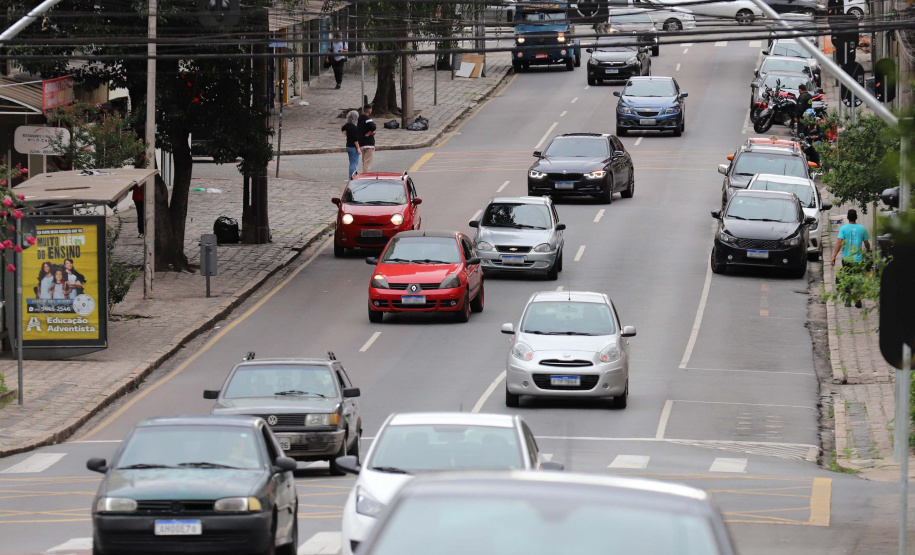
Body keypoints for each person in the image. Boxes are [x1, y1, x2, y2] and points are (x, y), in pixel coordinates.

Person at [830, 209, 871, 308]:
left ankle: (848, 300)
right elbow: (866, 244)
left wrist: (834, 256)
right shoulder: (862, 229)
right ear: (856, 218)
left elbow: (839, 242)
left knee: (847, 279)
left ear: (847, 217)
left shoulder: (843, 228)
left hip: (847, 259)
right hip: (858, 260)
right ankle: (857, 300)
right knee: (857, 279)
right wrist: (867, 252)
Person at [342, 110, 361, 180]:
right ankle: (352, 177)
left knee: (352, 162)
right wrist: (358, 148)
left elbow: (342, 129)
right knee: (354, 163)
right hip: (353, 147)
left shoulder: (347, 125)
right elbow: (355, 140)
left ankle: (353, 175)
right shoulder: (354, 128)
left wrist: (348, 135)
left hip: (348, 146)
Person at [358, 104, 377, 173]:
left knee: (364, 161)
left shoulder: (359, 119)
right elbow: (373, 127)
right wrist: (370, 132)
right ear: (370, 111)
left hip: (362, 143)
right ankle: (365, 176)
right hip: (369, 143)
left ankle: (364, 174)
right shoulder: (368, 119)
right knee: (367, 163)